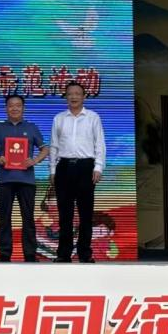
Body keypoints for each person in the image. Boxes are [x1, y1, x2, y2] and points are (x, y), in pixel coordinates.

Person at [0, 94, 49, 263]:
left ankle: (30, 254)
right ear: (6, 108)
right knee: (4, 218)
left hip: (26, 180)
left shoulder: (32, 127)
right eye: (11, 105)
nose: (14, 108)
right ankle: (5, 254)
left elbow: (45, 149)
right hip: (4, 180)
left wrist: (34, 160)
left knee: (28, 218)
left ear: (23, 108)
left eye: (18, 105)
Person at [49, 81, 105, 263]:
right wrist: (52, 170)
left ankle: (85, 253)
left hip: (85, 167)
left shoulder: (93, 117)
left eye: (77, 93)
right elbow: (54, 146)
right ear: (66, 96)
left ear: (84, 96)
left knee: (85, 214)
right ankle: (63, 254)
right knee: (65, 214)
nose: (73, 97)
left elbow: (99, 144)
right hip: (64, 167)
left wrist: (98, 167)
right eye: (70, 94)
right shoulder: (59, 118)